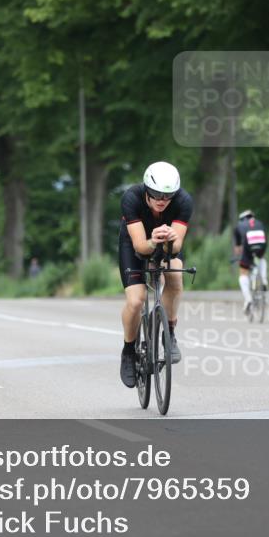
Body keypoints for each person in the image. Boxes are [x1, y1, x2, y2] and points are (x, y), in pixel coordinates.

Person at [117, 161, 193, 388]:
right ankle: (129, 351)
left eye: (168, 195)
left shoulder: (183, 202)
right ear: (146, 190)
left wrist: (169, 240)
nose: (162, 199)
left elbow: (176, 248)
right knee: (136, 300)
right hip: (136, 243)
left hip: (167, 241)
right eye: (156, 193)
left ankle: (169, 332)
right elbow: (140, 247)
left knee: (176, 277)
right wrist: (153, 240)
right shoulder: (131, 198)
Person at [233, 209, 268, 315]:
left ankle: (248, 299)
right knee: (261, 259)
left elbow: (238, 248)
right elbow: (265, 237)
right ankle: (264, 279)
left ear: (242, 218)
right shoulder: (260, 223)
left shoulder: (239, 226)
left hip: (248, 245)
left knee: (243, 272)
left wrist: (240, 257)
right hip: (262, 244)